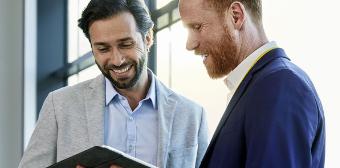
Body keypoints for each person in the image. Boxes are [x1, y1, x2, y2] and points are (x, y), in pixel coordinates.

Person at [18, 0, 209, 167]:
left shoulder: (192, 115)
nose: (117, 60)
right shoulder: (59, 106)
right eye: (103, 48)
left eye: (126, 44)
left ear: (148, 38)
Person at [179, 0, 325, 167]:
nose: (190, 45)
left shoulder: (279, 86)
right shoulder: (262, 86)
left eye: (197, 27)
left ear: (236, 16)